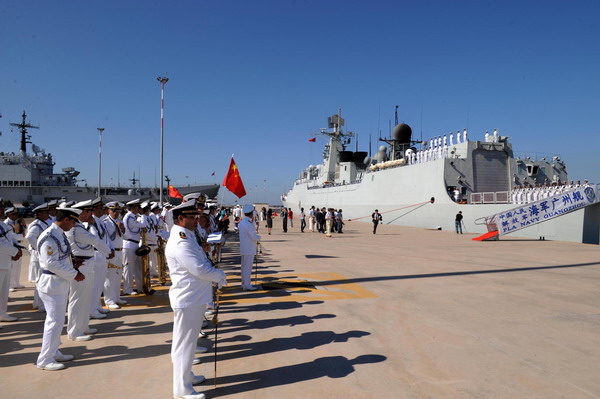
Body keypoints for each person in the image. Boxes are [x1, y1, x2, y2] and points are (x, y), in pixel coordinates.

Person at [165, 201, 226, 399]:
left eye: (196, 216)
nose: (196, 219)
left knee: (186, 344)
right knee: (184, 345)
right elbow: (198, 269)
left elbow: (199, 260)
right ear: (181, 219)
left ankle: (187, 376)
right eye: (192, 217)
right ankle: (182, 390)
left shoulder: (187, 236)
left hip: (193, 296)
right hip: (188, 298)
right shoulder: (181, 240)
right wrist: (219, 276)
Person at [35, 207, 85, 371]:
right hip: (52, 284)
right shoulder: (49, 236)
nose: (73, 226)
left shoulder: (58, 233)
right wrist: (73, 274)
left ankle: (53, 351)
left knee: (57, 321)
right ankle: (45, 359)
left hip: (59, 283)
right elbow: (50, 262)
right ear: (66, 220)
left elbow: (61, 257)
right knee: (54, 321)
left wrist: (73, 265)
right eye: (72, 222)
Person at [65, 200, 111, 341]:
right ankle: (74, 331)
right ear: (82, 213)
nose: (90, 214)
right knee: (78, 299)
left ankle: (83, 326)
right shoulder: (76, 228)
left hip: (86, 263)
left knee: (85, 299)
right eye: (87, 211)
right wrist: (108, 252)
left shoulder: (79, 226)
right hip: (80, 264)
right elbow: (95, 241)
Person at [26, 203, 52, 311]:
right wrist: (40, 248)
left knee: (42, 281)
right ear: (39, 214)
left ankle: (38, 303)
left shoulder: (44, 223)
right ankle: (41, 305)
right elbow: (30, 237)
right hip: (38, 257)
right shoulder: (36, 225)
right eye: (45, 212)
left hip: (43, 257)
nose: (47, 213)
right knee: (40, 282)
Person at [0, 202, 22, 324]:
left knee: (3, 292)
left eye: (2, 208)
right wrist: (14, 251)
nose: (2, 210)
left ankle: (2, 314)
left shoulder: (3, 225)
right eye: (0, 209)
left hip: (6, 261)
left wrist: (18, 249)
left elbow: (11, 240)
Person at [122, 199, 148, 295]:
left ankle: (140, 287)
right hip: (129, 245)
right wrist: (144, 214)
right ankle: (127, 289)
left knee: (137, 268)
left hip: (135, 244)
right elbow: (143, 224)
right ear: (132, 208)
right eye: (137, 207)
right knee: (129, 269)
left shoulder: (133, 217)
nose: (139, 209)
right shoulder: (129, 217)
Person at [239, 205, 261, 291]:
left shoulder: (243, 222)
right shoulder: (248, 224)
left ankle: (244, 283)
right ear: (251, 213)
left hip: (245, 248)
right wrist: (259, 238)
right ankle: (247, 285)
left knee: (244, 267)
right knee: (247, 268)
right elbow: (253, 237)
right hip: (249, 249)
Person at [4, 207, 26, 291]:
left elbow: (23, 232)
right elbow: (11, 236)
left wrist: (23, 227)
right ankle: (9, 285)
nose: (16, 215)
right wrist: (21, 236)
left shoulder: (17, 222)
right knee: (12, 266)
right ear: (9, 215)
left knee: (18, 266)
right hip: (12, 245)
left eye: (16, 214)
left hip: (18, 244)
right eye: (13, 214)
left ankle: (16, 282)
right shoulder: (6, 223)